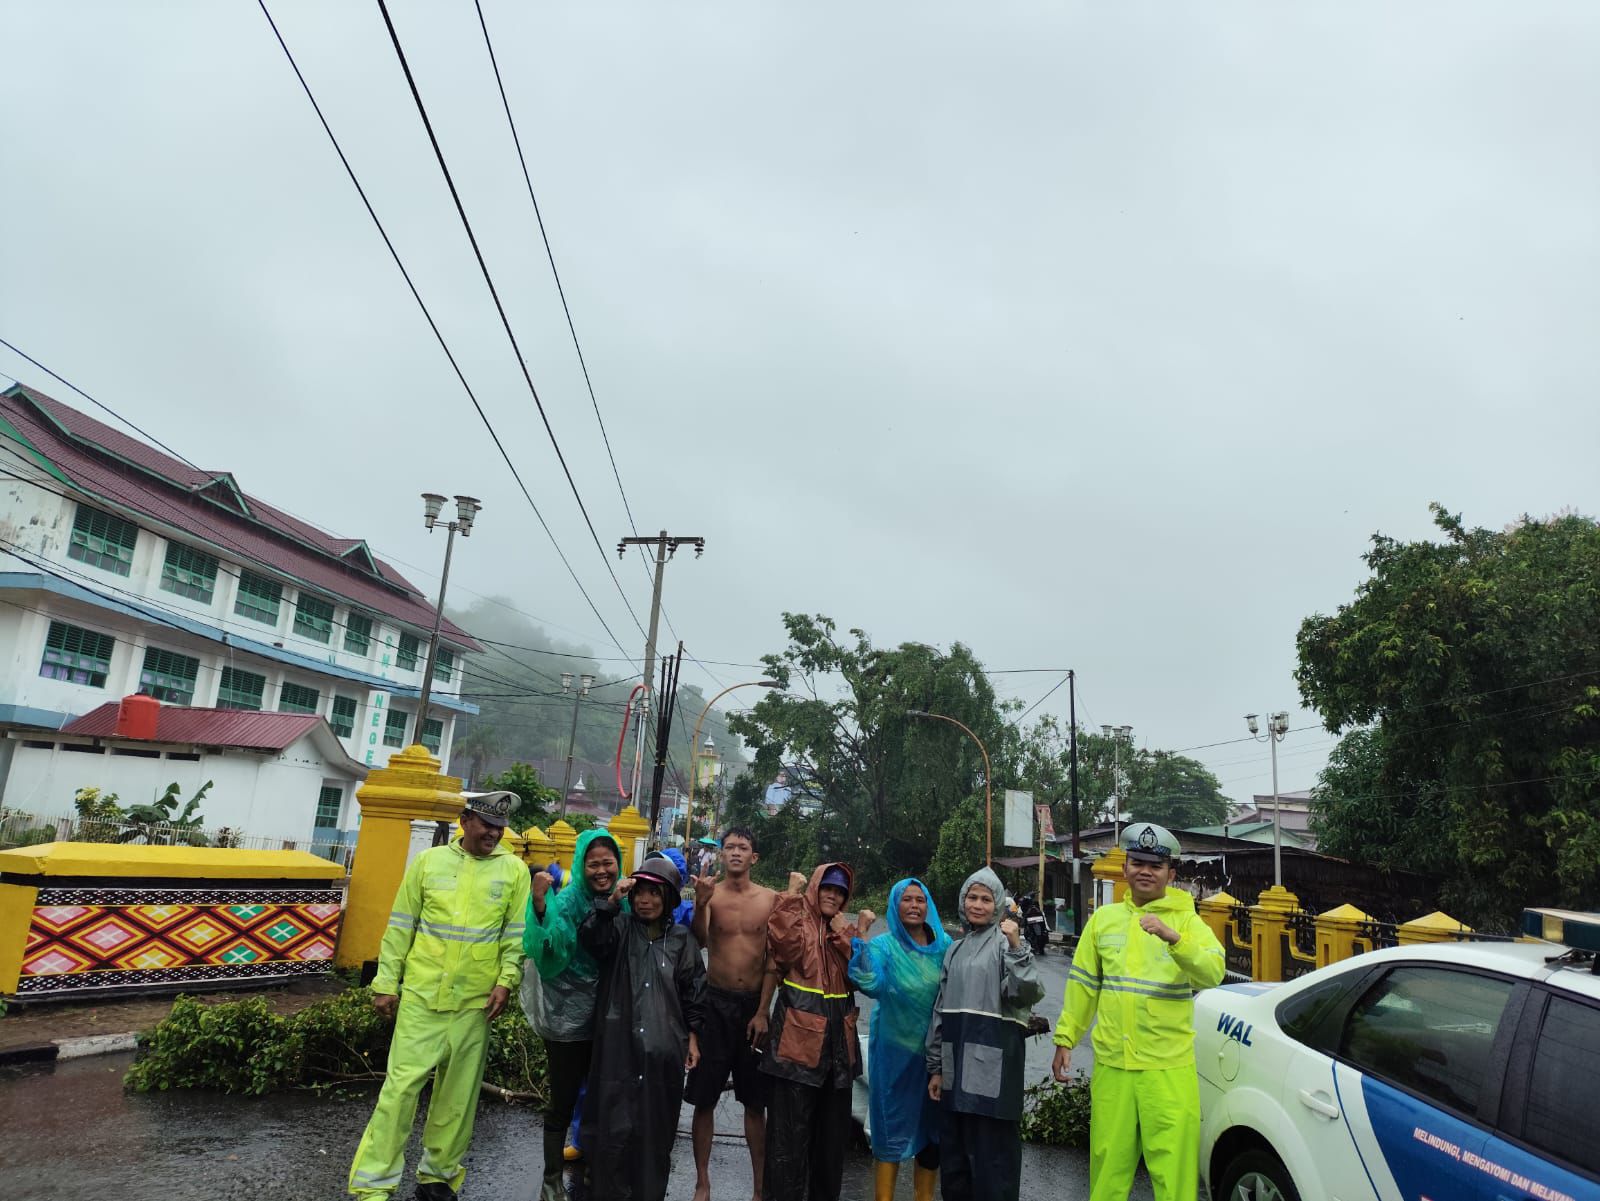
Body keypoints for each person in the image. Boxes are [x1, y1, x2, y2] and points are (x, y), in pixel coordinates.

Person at [348, 791, 529, 1201]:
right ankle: (373, 1186)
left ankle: (438, 1179)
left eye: (500, 827)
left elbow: (515, 937)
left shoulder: (513, 872)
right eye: (487, 825)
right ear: (465, 821)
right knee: (398, 1093)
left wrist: (507, 981)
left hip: (475, 1006)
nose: (494, 833)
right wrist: (385, 983)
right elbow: (400, 927)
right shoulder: (428, 864)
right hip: (421, 1000)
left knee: (457, 1100)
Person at [1051, 823, 1226, 1201]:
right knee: (1107, 1168)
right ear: (1126, 868)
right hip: (1114, 1065)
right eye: (1138, 862)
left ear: (1171, 874)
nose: (1145, 871)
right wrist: (1066, 1037)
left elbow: (1213, 972)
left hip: (1167, 1068)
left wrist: (1174, 939)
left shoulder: (1187, 921)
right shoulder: (1103, 921)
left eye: (1156, 865)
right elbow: (1083, 984)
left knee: (1174, 1173)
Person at [578, 852, 707, 1201]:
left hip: (663, 1054)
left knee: (654, 1135)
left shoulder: (681, 940)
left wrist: (693, 1037)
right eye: (640, 893)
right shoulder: (618, 929)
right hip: (617, 1050)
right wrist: (612, 901)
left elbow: (694, 991)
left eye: (655, 894)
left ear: (668, 900)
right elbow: (590, 937)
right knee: (613, 1132)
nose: (645, 900)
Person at [926, 866, 1044, 1201]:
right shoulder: (955, 950)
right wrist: (935, 1067)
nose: (978, 904)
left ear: (998, 905)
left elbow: (1025, 993)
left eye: (986, 899)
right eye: (972, 897)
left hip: (995, 1076)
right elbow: (940, 1010)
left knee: (994, 1168)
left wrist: (1018, 945)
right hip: (954, 1070)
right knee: (956, 1166)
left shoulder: (1007, 945)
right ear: (963, 902)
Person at [523, 826, 623, 1201]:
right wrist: (539, 904)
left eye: (608, 863)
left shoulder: (624, 898)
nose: (602, 871)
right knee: (563, 1097)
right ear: (582, 865)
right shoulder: (567, 901)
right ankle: (551, 1180)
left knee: (603, 1096)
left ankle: (596, 1169)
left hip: (610, 1018)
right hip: (567, 1018)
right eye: (594, 864)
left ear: (618, 864)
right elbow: (547, 943)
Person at [685, 826, 778, 1201]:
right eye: (729, 847)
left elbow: (775, 959)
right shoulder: (712, 895)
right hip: (715, 1003)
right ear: (720, 855)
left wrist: (763, 1011)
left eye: (743, 847)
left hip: (752, 1006)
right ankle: (702, 1182)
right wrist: (701, 903)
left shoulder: (770, 899)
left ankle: (759, 1189)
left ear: (754, 857)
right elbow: (700, 941)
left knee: (755, 1103)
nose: (736, 852)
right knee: (704, 1098)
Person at [760, 862, 863, 1201]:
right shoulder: (797, 920)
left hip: (837, 1053)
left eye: (839, 892)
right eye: (827, 889)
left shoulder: (840, 929)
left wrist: (846, 932)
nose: (832, 896)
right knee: (788, 1143)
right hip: (796, 1048)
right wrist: (790, 896)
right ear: (815, 888)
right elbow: (782, 949)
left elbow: (861, 975)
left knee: (830, 1147)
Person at [848, 877, 951, 1201]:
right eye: (906, 899)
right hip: (892, 1056)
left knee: (932, 1135)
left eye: (920, 900)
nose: (914, 906)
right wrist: (862, 937)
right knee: (889, 1131)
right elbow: (871, 984)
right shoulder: (884, 946)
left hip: (933, 1057)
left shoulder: (945, 946)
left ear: (928, 905)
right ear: (895, 905)